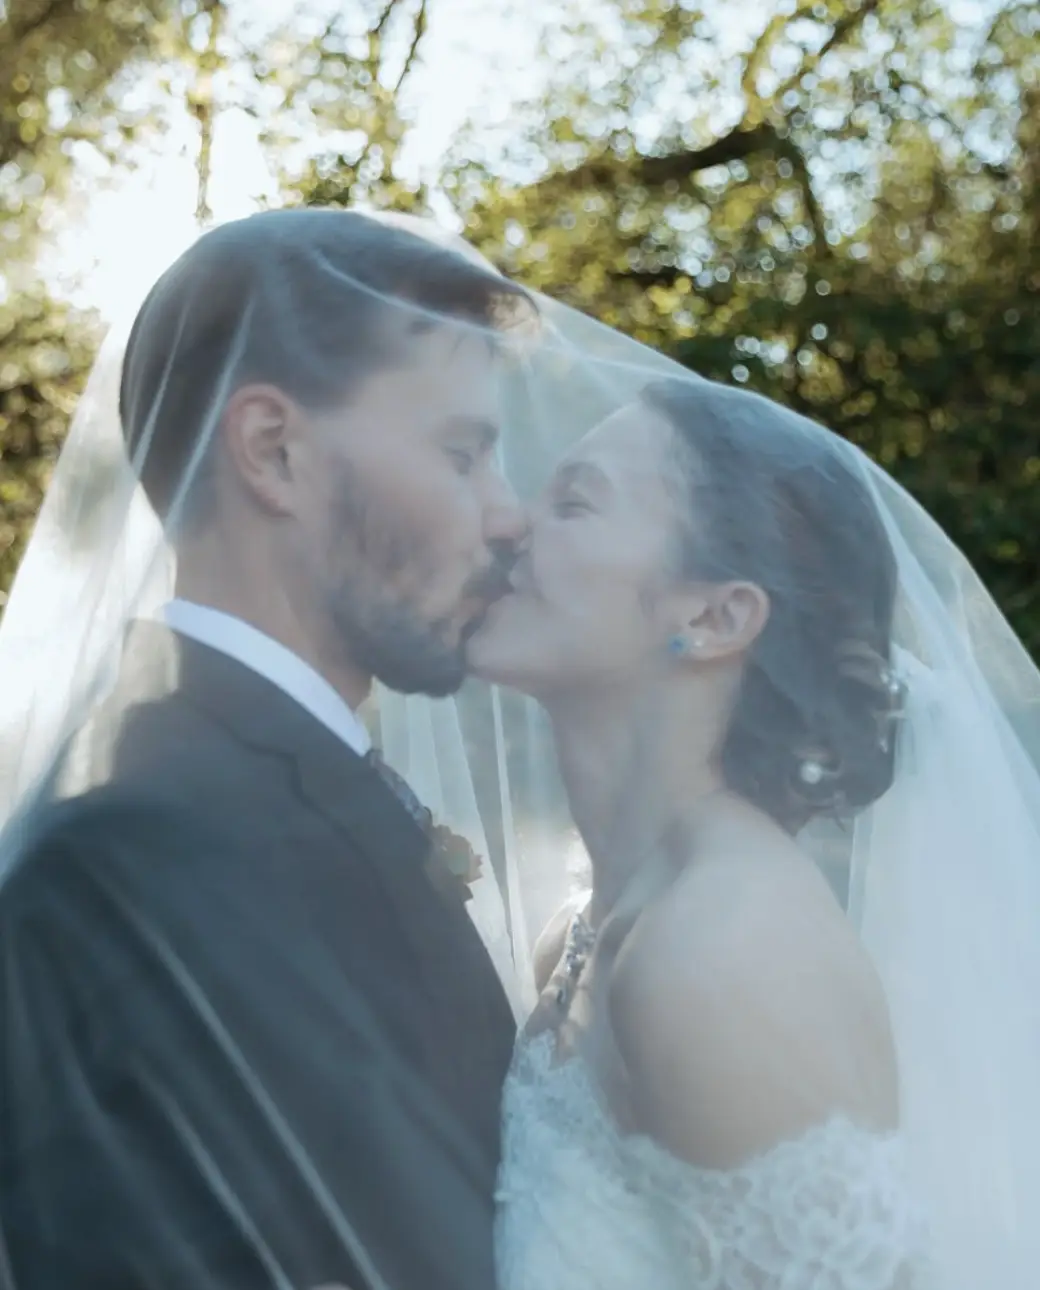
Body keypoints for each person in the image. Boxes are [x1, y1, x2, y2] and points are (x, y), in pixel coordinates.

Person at [0, 209, 535, 1290]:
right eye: (461, 454)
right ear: (272, 452)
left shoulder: (270, 785)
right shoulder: (134, 851)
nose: (508, 516)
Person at [471, 375, 1040, 1289]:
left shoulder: (719, 958)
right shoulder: (586, 934)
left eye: (573, 501)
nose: (508, 526)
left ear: (713, 617)